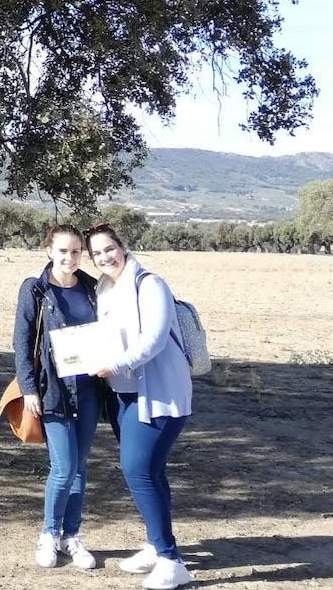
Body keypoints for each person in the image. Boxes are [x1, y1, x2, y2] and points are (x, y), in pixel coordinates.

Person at [89, 223, 194, 590]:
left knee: (137, 470)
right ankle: (155, 544)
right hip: (123, 396)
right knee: (152, 471)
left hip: (159, 395)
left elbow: (155, 337)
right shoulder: (105, 289)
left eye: (109, 249)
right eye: (97, 253)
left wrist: (115, 365)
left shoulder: (150, 284)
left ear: (123, 246)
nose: (104, 257)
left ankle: (171, 560)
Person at [12, 224, 103, 570]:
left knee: (80, 467)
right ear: (49, 250)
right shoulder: (35, 289)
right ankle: (48, 534)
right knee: (63, 468)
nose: (69, 257)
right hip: (52, 390)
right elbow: (21, 343)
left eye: (76, 252)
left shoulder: (92, 288)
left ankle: (71, 536)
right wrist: (29, 388)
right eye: (63, 251)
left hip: (90, 390)